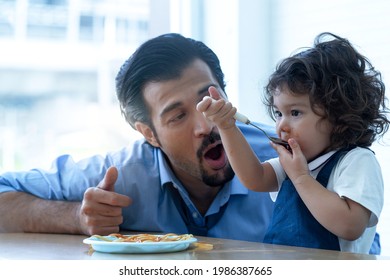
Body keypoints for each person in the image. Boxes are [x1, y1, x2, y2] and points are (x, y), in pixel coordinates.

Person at [0, 33, 278, 242]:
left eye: (209, 98)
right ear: (149, 134)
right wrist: (76, 217)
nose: (205, 125)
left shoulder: (285, 153)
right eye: (178, 116)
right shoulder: (122, 176)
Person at [197, 32, 389, 254]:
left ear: (338, 117)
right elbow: (254, 178)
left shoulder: (356, 162)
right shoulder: (296, 162)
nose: (281, 126)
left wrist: (301, 178)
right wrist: (227, 127)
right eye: (278, 113)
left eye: (295, 112)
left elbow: (350, 226)